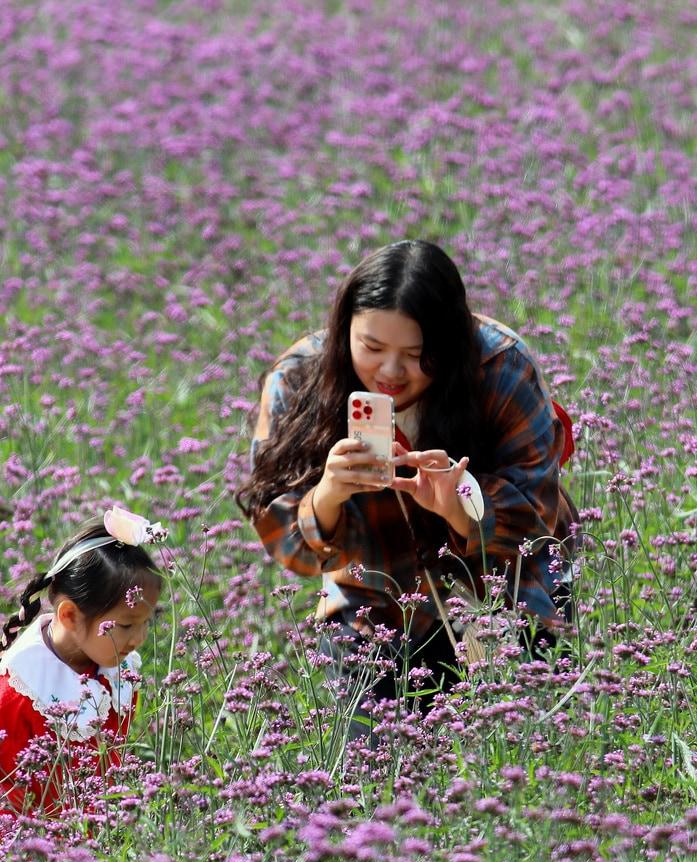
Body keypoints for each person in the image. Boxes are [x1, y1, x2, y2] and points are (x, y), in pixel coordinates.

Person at [237, 239, 576, 738]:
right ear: (343, 329)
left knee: (526, 752)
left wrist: (463, 507)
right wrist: (328, 494)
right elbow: (284, 537)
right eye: (371, 348)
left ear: (452, 345)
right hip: (372, 600)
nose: (390, 372)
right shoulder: (299, 379)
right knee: (372, 772)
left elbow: (538, 519)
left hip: (507, 590)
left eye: (418, 356)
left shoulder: (500, 367)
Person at [0, 508, 166, 849]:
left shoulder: (115, 665)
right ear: (70, 615)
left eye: (149, 622)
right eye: (127, 625)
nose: (140, 637)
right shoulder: (21, 689)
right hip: (0, 832)